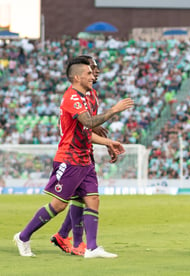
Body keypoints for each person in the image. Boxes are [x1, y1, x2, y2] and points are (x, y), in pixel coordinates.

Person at [13, 57, 134, 258]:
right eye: (89, 72)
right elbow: (88, 121)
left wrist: (108, 142)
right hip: (69, 158)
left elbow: (87, 129)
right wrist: (114, 110)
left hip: (85, 157)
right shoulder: (73, 98)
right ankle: (23, 236)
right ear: (77, 76)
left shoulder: (87, 96)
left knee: (92, 199)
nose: (93, 75)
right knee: (60, 204)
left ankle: (92, 248)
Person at [50, 55, 119, 256]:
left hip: (85, 152)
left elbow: (89, 126)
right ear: (80, 74)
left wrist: (102, 137)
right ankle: (75, 241)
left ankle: (68, 237)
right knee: (73, 200)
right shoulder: (77, 95)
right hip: (73, 154)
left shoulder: (92, 94)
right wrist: (101, 128)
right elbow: (83, 124)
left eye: (95, 68)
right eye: (91, 68)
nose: (95, 71)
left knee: (85, 197)